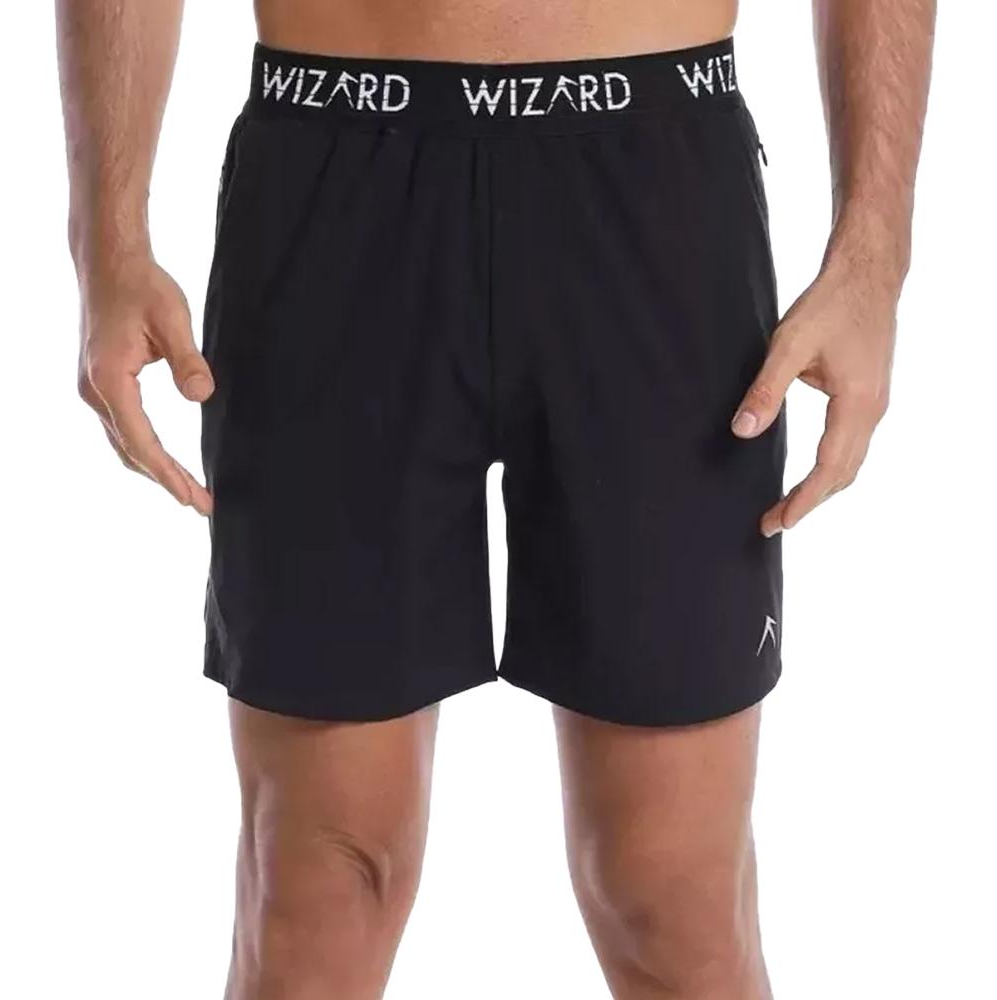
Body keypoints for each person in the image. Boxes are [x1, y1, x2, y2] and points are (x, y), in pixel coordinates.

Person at [55, 1, 935, 997]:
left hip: (652, 178)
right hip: (333, 171)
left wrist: (873, 255)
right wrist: (106, 238)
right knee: (318, 884)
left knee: (670, 893)